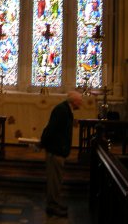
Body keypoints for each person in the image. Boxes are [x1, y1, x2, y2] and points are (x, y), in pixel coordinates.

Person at [40, 89, 83, 217]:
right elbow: (51, 129)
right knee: (54, 181)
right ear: (74, 101)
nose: (81, 104)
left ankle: (55, 202)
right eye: (80, 101)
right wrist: (44, 144)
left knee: (57, 180)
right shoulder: (62, 110)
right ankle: (52, 206)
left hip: (59, 151)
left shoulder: (66, 110)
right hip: (55, 151)